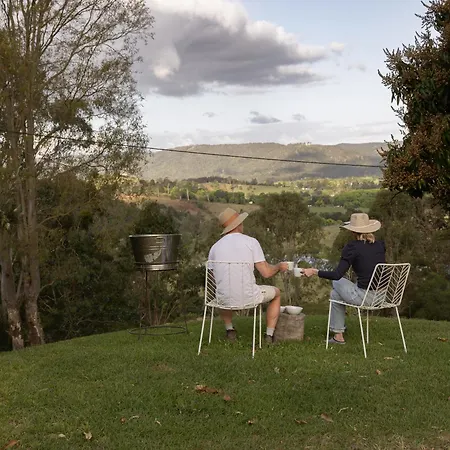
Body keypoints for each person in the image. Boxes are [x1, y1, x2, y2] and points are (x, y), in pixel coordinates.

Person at [208, 207, 288, 344]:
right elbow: (266, 273)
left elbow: (213, 277)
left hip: (223, 299)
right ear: (238, 224)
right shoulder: (251, 242)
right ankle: (269, 335)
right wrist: (279, 267)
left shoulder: (215, 247)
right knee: (277, 293)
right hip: (249, 297)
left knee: (224, 292)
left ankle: (230, 330)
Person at [303, 213, 385, 344]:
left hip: (365, 297)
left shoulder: (352, 247)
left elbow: (337, 275)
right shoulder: (380, 245)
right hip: (382, 296)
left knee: (336, 282)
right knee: (335, 294)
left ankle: (338, 334)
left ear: (352, 231)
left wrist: (314, 272)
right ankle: (338, 336)